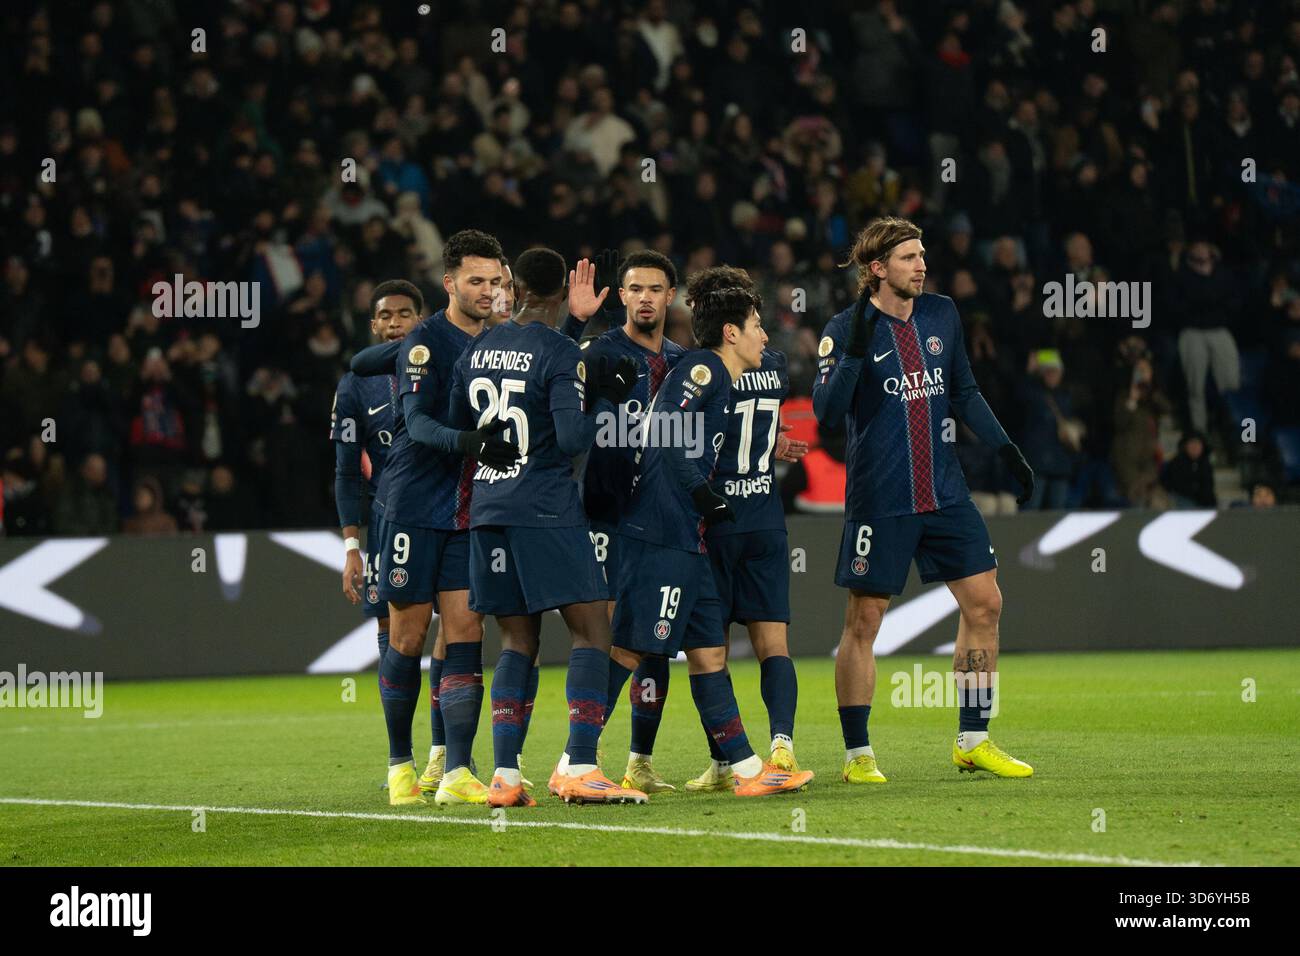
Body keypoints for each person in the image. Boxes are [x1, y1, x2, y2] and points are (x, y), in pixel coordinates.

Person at [813, 216, 1035, 784]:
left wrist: (1005, 446)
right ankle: (857, 755)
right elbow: (827, 415)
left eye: (922, 254)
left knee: (985, 603)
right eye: (910, 257)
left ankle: (973, 738)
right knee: (865, 621)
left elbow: (962, 389)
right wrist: (856, 353)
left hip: (944, 491)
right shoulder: (844, 327)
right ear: (877, 269)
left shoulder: (942, 314)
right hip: (880, 498)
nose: (922, 265)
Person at [599, 284, 814, 797]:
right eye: (758, 324)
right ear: (732, 331)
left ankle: (737, 768)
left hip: (702, 532)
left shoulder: (711, 371)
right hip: (678, 528)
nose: (766, 334)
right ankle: (579, 758)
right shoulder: (721, 370)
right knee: (637, 648)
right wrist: (703, 491)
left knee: (702, 653)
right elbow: (670, 434)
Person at [448, 246, 645, 806]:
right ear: (562, 292)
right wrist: (604, 396)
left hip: (489, 511)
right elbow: (572, 439)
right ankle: (581, 764)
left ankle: (505, 776)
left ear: (512, 284)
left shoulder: (479, 347)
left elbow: (465, 426)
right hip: (545, 509)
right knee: (593, 629)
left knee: (517, 640)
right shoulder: (561, 352)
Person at [353, 230, 522, 806]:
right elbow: (419, 425)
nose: (486, 290)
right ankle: (400, 765)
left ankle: (454, 772)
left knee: (466, 633)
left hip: (471, 512)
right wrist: (472, 442)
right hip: (413, 507)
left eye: (495, 281)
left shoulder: (505, 341)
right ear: (449, 283)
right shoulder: (424, 342)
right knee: (405, 633)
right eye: (475, 280)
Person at [560, 248, 687, 794]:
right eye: (635, 289)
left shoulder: (686, 364)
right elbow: (556, 401)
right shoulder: (596, 352)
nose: (644, 299)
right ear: (623, 296)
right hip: (607, 512)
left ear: (670, 297)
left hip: (666, 516)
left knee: (656, 638)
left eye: (655, 289)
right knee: (610, 631)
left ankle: (640, 759)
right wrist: (573, 324)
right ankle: (578, 756)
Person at [332, 279, 418, 782]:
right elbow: (346, 472)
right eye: (385, 316)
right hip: (389, 520)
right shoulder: (354, 385)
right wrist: (351, 547)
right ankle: (399, 761)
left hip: (449, 513)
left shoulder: (444, 364)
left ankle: (449, 760)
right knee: (393, 633)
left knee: (456, 630)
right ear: (373, 324)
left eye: (404, 314)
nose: (394, 324)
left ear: (419, 319)